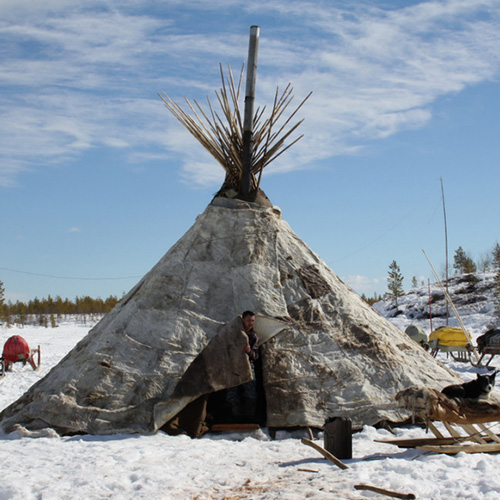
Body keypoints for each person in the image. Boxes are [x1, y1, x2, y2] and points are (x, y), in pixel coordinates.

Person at [226, 310, 259, 421]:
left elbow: (256, 356)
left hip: (248, 365)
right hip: (233, 365)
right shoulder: (234, 333)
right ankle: (235, 417)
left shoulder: (253, 336)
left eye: (253, 321)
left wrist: (249, 351)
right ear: (243, 320)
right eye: (248, 320)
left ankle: (249, 417)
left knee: (250, 391)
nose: (250, 323)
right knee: (232, 391)